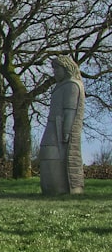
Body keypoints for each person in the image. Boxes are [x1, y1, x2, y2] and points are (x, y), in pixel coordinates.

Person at [39, 55, 85, 195]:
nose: (55, 73)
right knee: (46, 152)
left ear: (66, 68)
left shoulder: (72, 85)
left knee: (53, 154)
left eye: (57, 69)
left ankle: (62, 188)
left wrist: (66, 131)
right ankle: (51, 188)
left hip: (59, 129)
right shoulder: (60, 86)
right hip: (52, 125)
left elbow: (70, 110)